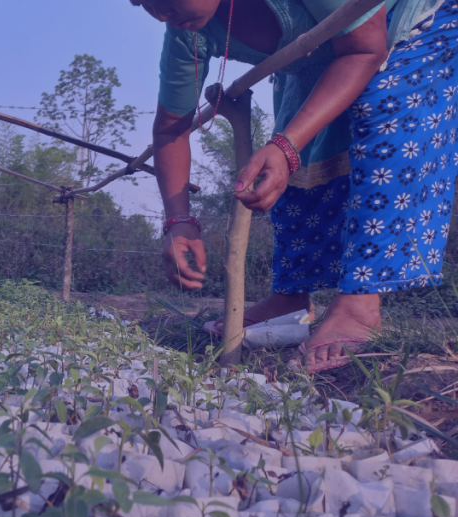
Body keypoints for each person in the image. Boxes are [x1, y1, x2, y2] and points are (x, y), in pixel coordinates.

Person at [133, 0, 456, 371]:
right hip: (321, 51)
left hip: (404, 22)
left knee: (385, 106)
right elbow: (170, 128)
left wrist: (286, 146)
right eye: (142, 2)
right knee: (291, 143)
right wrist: (178, 221)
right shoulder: (185, 32)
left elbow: (367, 46)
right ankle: (290, 297)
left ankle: (359, 306)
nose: (159, 13)